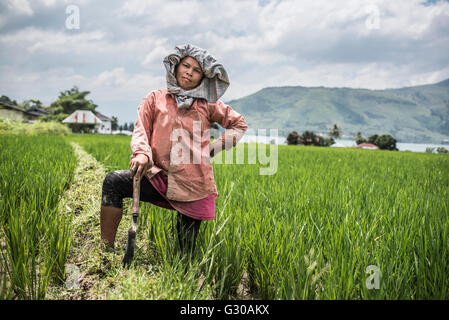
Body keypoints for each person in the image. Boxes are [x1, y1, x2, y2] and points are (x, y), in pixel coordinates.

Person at [100, 44, 248, 254]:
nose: (189, 72)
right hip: (158, 177)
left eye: (196, 70)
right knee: (113, 182)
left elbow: (239, 124)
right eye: (186, 66)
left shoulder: (207, 104)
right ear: (176, 67)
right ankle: (105, 252)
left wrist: (215, 147)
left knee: (184, 253)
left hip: (193, 183)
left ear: (202, 77)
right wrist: (142, 153)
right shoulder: (155, 99)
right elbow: (141, 129)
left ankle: (181, 276)